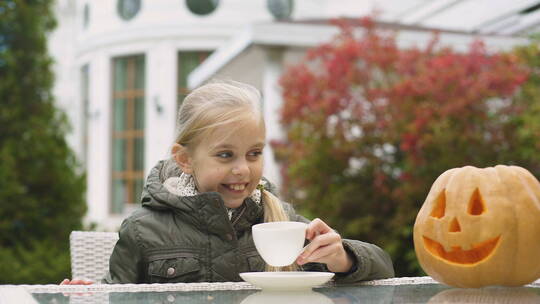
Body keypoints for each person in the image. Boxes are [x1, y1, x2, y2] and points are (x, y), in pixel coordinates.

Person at [62, 80, 394, 285]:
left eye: (253, 154)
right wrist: (85, 292)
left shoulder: (280, 220)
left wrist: (344, 257)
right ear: (185, 158)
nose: (243, 170)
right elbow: (114, 294)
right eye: (225, 156)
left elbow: (384, 271)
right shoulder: (142, 229)